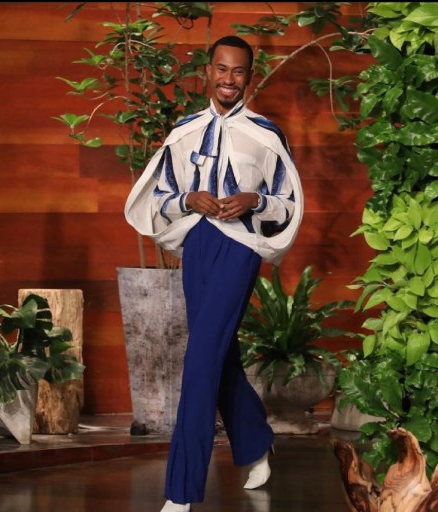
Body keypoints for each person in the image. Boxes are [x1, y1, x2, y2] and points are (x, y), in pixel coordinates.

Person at [124, 35, 304, 512]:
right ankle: (255, 440)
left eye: (239, 72)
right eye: (221, 70)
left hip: (241, 246)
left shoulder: (267, 134)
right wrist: (188, 199)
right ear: (207, 72)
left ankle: (180, 493)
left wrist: (254, 200)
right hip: (198, 246)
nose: (229, 80)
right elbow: (159, 197)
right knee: (219, 358)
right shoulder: (182, 133)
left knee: (201, 360)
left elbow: (288, 202)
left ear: (250, 75)